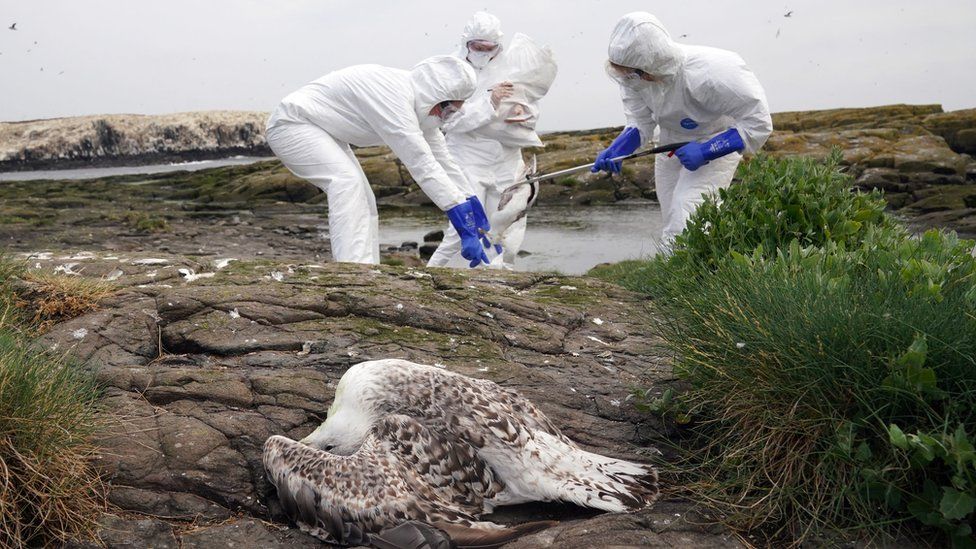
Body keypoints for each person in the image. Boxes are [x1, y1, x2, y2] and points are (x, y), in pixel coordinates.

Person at [266, 55, 492, 267]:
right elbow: (421, 163)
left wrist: (471, 202)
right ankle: (352, 272)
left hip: (323, 130)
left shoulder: (418, 108)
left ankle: (367, 269)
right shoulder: (393, 96)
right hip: (292, 125)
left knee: (366, 199)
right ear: (436, 95)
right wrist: (462, 221)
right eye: (450, 109)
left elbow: (443, 160)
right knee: (347, 182)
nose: (447, 118)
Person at [592, 12, 773, 253]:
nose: (626, 79)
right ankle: (680, 276)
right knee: (671, 214)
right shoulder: (634, 79)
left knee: (688, 208)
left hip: (715, 139)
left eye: (630, 73)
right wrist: (619, 148)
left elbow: (758, 124)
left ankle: (689, 278)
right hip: (670, 143)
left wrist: (707, 150)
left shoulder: (715, 72)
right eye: (622, 73)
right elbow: (640, 120)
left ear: (650, 64)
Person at [426, 12, 527, 269]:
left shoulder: (510, 68)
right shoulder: (450, 70)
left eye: (489, 48)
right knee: (464, 224)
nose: (483, 53)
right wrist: (489, 102)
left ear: (498, 46)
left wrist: (519, 111)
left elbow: (528, 105)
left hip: (504, 157)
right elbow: (449, 121)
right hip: (466, 156)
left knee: (506, 223)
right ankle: (430, 273)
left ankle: (501, 278)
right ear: (466, 43)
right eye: (477, 47)